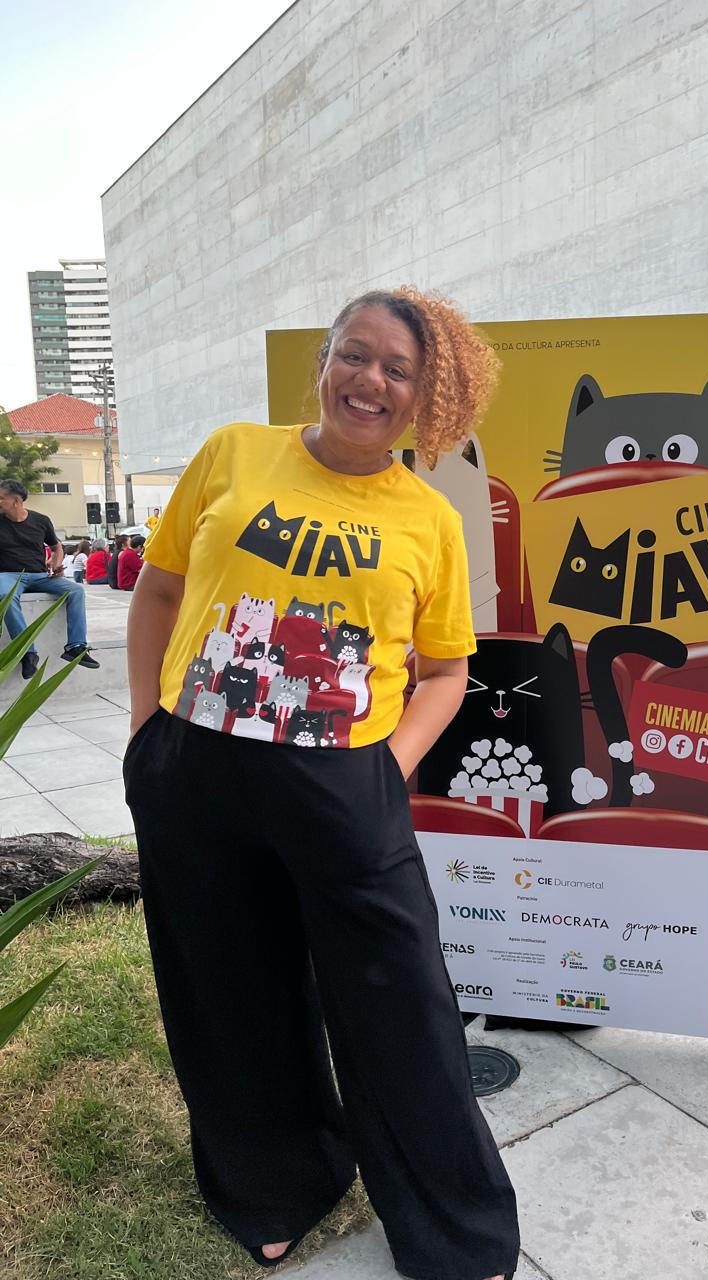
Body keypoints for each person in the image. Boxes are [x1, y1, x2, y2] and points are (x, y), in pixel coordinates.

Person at [123, 288, 519, 1278]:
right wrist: (145, 728)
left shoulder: (428, 517)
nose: (370, 380)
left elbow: (446, 673)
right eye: (355, 353)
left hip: (345, 786)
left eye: (398, 369)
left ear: (428, 396)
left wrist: (385, 766)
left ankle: (455, 1227)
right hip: (195, 769)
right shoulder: (234, 453)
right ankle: (273, 1184)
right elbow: (160, 589)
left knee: (405, 1007)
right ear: (324, 362)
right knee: (229, 989)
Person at [0, 479, 100, 677]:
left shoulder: (41, 520)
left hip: (40, 575)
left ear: (16, 501)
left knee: (76, 590)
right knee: (5, 595)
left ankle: (75, 647)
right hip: (9, 575)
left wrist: (56, 563)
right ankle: (27, 653)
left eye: (1, 498)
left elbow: (56, 547)